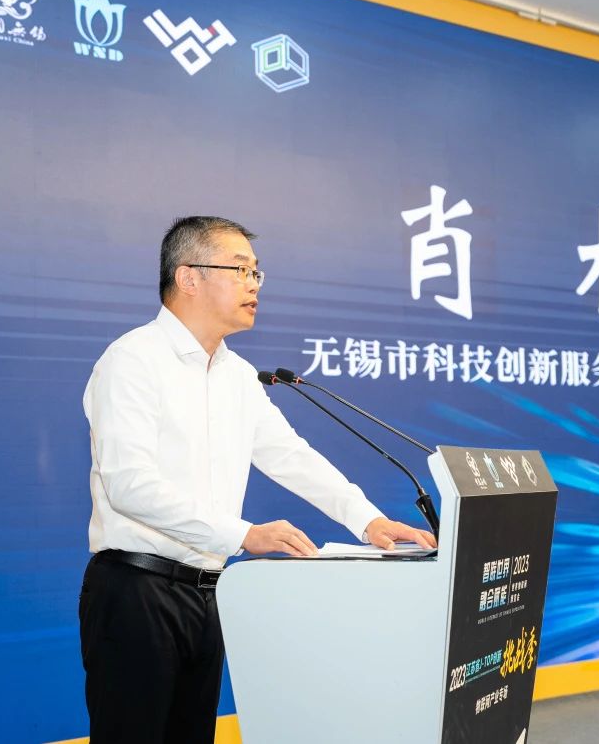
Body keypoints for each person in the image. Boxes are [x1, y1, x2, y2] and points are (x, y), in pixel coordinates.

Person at [78, 215, 435, 743]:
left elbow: (291, 456)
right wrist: (243, 534)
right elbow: (129, 485)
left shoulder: (238, 376)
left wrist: (368, 520)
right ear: (188, 277)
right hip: (137, 592)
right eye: (240, 270)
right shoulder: (133, 360)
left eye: (256, 272)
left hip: (208, 593)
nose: (254, 285)